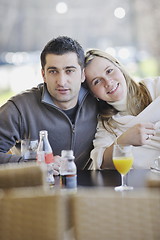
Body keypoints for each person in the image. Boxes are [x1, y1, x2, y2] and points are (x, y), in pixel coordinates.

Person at [0, 36, 98, 171]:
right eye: (53, 71)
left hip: (89, 190)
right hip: (38, 190)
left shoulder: (98, 102)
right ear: (43, 75)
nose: (62, 81)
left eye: (69, 71)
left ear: (82, 74)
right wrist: (35, 165)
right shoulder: (20, 108)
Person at [85, 49, 160, 169]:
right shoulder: (108, 125)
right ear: (93, 93)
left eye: (109, 71)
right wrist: (124, 140)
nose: (108, 82)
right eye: (97, 81)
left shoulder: (155, 88)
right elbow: (100, 162)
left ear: (119, 67)